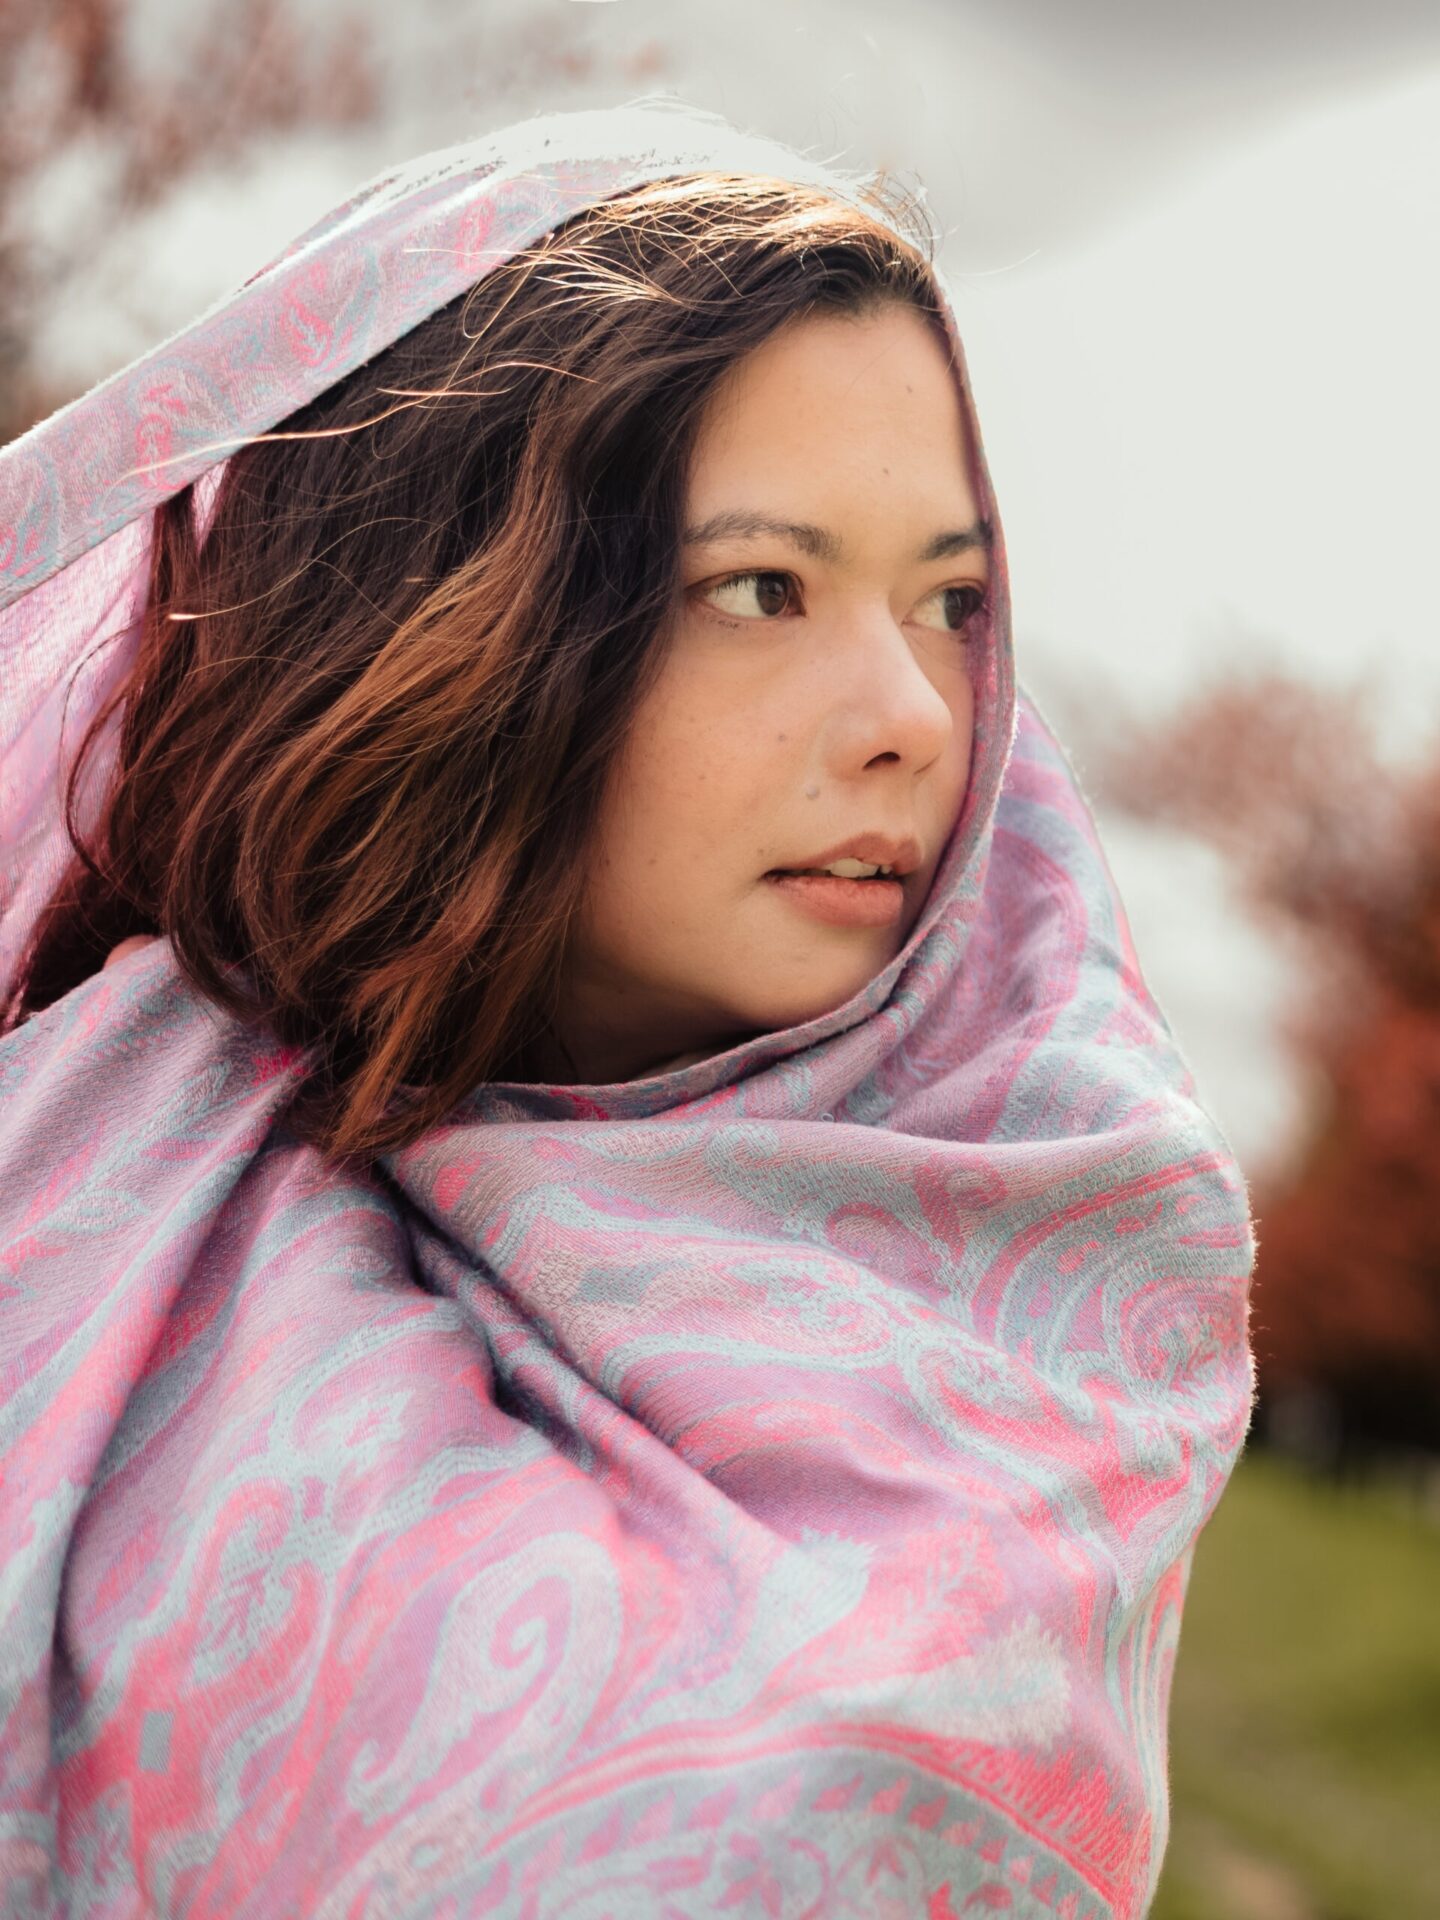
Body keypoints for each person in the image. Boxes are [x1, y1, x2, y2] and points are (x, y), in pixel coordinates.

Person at [0, 101, 1256, 1918]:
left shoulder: (1060, 1280)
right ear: (455, 603)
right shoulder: (74, 1180)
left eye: (953, 602)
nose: (911, 711)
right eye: (764, 586)